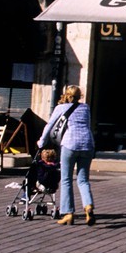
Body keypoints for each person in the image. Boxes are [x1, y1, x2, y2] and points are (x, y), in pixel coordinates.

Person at [37, 84, 96, 225]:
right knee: (83, 180)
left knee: (66, 179)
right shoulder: (86, 108)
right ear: (79, 95)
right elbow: (87, 126)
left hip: (70, 144)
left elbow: (49, 125)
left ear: (66, 95)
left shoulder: (60, 108)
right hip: (87, 144)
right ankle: (88, 206)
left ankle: (68, 213)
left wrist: (41, 142)